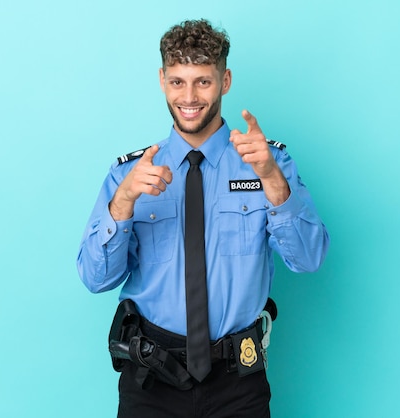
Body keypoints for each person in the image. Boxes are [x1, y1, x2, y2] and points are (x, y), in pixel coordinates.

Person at [77, 18, 329, 418]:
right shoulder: (130, 174)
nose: (189, 96)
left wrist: (271, 181)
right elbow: (95, 279)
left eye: (203, 81)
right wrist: (123, 201)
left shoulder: (269, 163)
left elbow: (308, 259)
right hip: (150, 380)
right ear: (162, 80)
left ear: (225, 80)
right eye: (177, 81)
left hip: (238, 381)